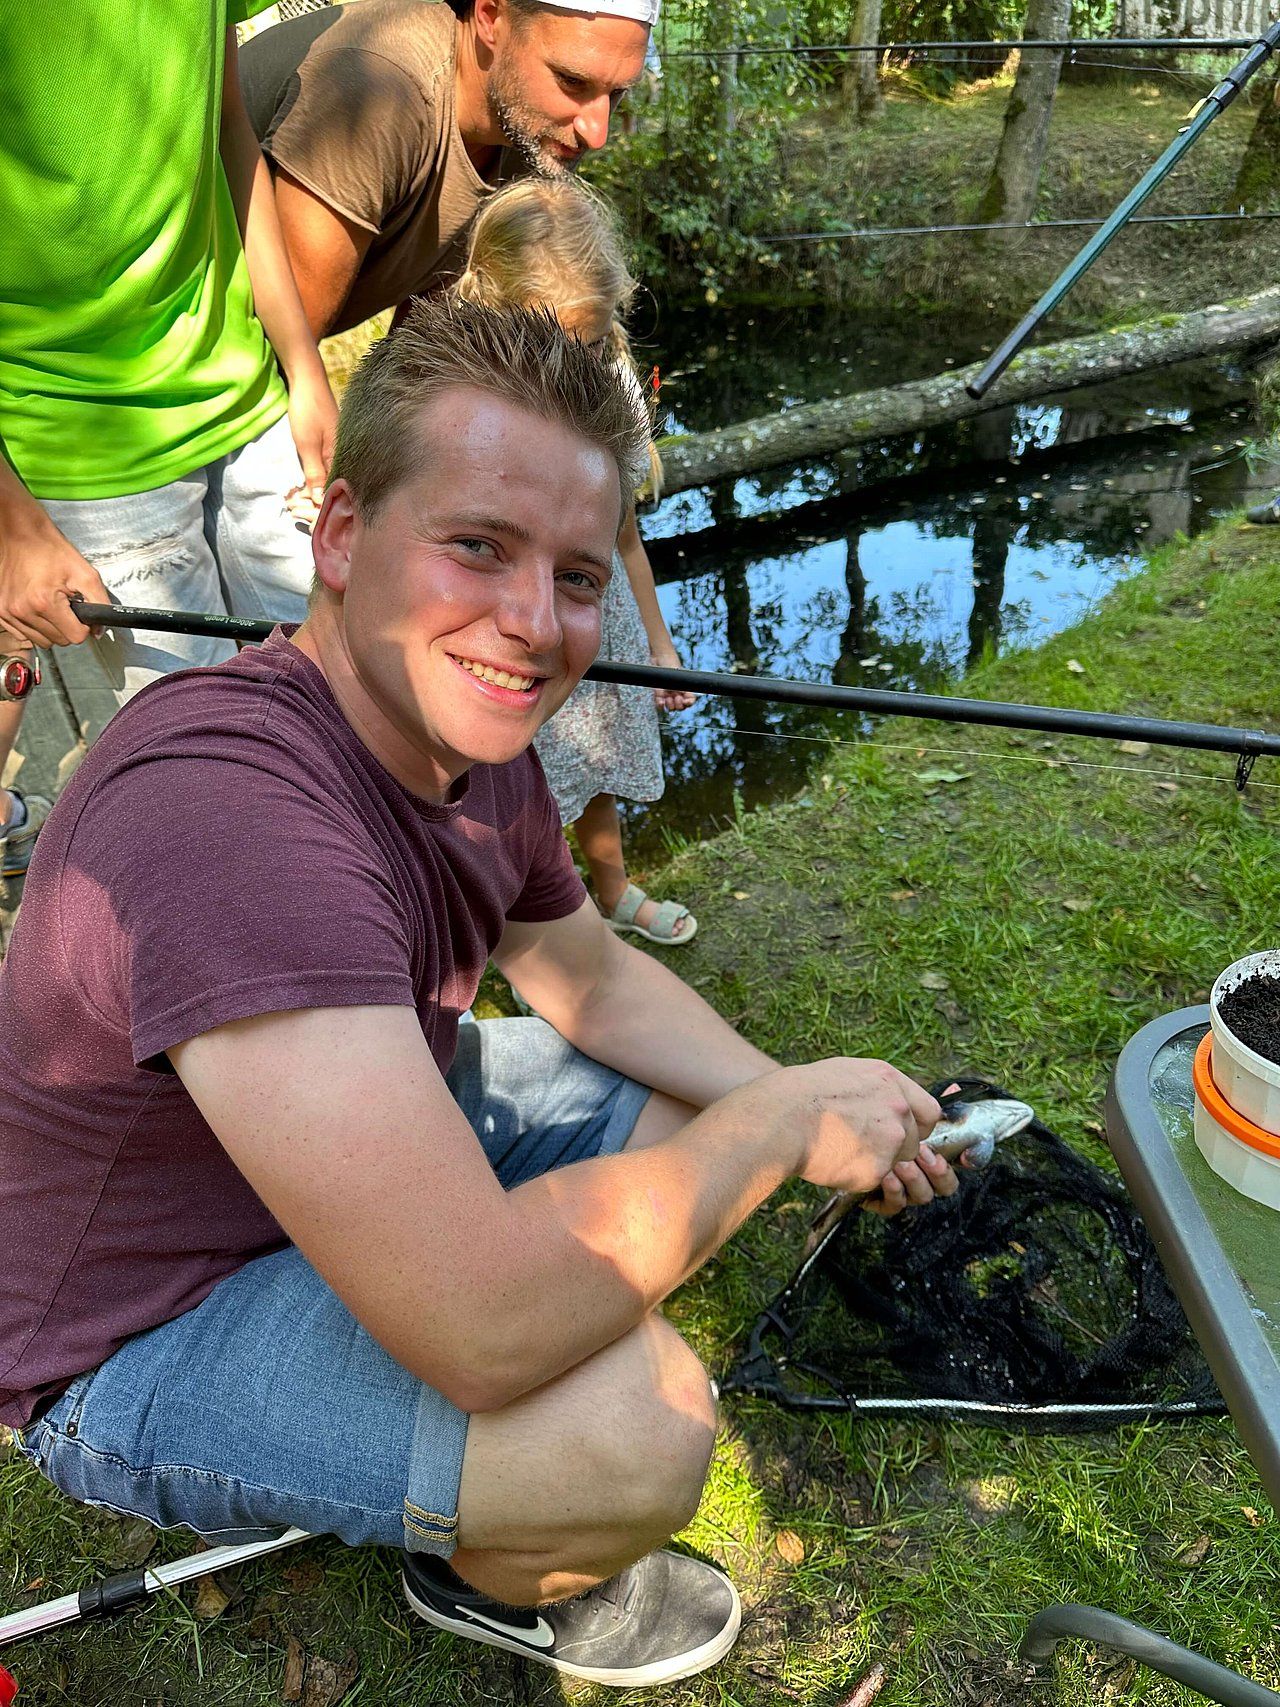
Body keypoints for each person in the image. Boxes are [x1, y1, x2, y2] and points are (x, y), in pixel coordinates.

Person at [0, 299, 959, 1690]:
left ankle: (443, 1402)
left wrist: (770, 1095)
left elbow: (578, 964)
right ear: (337, 537)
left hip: (301, 1176)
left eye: (577, 575)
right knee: (646, 1427)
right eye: (477, 547)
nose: (533, 620)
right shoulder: (227, 822)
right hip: (130, 1328)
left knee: (675, 1094)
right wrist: (769, 1129)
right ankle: (487, 1570)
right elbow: (486, 1325)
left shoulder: (467, 725)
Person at [0, 0, 337, 877]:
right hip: (83, 445)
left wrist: (305, 368)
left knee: (340, 717)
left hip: (249, 395)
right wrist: (13, 524)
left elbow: (229, 129)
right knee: (196, 789)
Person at [453, 179, 697, 943]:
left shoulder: (616, 387)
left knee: (591, 770)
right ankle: (535, 935)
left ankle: (613, 893)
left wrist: (659, 646)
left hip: (596, 615)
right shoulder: (465, 404)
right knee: (507, 789)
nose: (575, 363)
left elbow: (624, 539)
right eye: (552, 342)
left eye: (589, 342)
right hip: (506, 622)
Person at [238, 0, 654, 338]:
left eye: (616, 93)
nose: (596, 133)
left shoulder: (529, 128)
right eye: (571, 81)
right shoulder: (382, 92)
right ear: (490, 17)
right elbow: (275, 351)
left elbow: (417, 345)